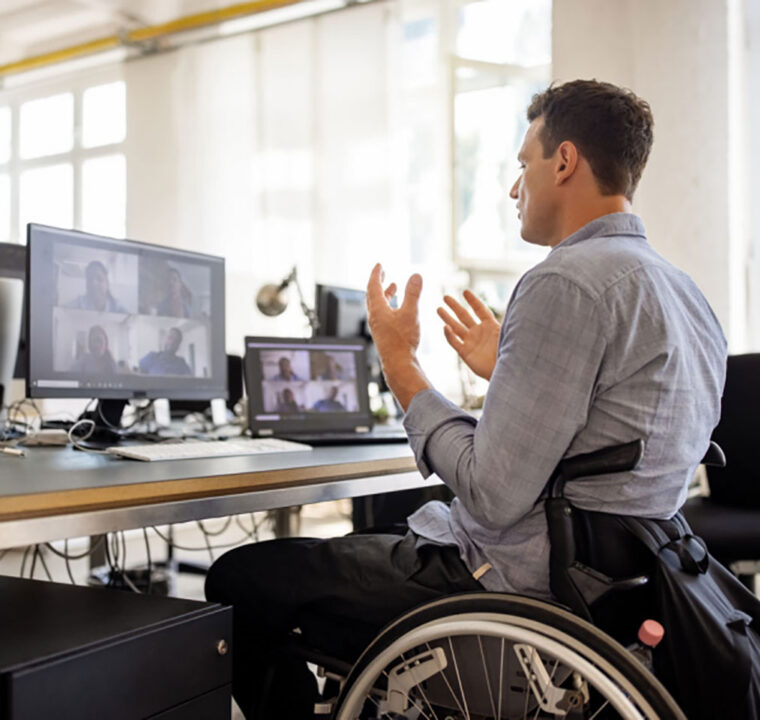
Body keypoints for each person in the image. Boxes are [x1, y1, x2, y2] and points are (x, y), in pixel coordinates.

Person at [205, 80, 727, 719]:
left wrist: (402, 367)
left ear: (562, 162)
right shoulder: (683, 292)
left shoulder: (565, 280)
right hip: (615, 580)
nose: (515, 189)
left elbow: (495, 492)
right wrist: (506, 373)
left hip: (507, 583)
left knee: (240, 580)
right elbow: (609, 439)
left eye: (522, 166)